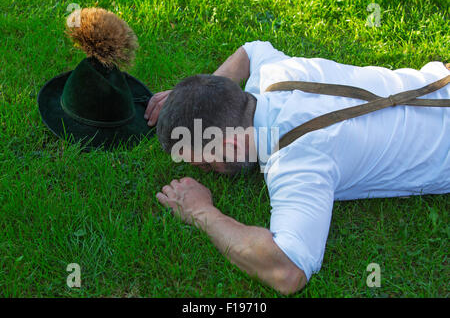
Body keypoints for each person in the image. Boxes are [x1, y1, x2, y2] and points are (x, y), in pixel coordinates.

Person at [144, 41, 450, 294]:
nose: (205, 170)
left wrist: (201, 211)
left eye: (206, 163)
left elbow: (288, 270)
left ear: (231, 147)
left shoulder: (297, 162)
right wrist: (192, 98)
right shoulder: (275, 73)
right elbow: (250, 51)